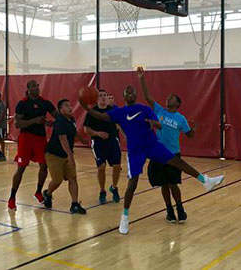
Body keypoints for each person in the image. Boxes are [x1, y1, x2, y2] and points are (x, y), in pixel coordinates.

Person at [79, 85, 224, 235]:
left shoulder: (145, 109)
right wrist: (85, 106)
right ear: (124, 96)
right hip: (135, 151)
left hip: (152, 145)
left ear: (135, 95)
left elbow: (159, 124)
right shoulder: (120, 112)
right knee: (132, 183)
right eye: (126, 92)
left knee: (177, 162)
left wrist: (154, 123)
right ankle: (125, 217)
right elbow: (101, 116)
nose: (129, 93)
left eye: (132, 91)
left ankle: (206, 181)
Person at [138, 67, 197, 223]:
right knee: (163, 184)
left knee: (173, 183)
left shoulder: (181, 119)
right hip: (158, 153)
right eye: (168, 97)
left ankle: (180, 208)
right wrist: (142, 78)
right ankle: (169, 210)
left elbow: (189, 135)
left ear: (177, 103)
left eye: (171, 98)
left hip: (173, 154)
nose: (168, 98)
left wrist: (194, 129)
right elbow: (147, 96)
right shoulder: (159, 110)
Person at [7, 80, 59, 211]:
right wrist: (35, 121)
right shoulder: (23, 104)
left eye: (38, 85)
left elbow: (56, 115)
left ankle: (38, 191)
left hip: (40, 138)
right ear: (28, 89)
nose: (37, 87)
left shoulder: (44, 102)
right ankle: (12, 197)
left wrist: (55, 121)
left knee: (44, 166)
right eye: (34, 86)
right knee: (21, 168)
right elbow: (18, 124)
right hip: (26, 138)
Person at [43, 99, 88, 214]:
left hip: (66, 154)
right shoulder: (59, 122)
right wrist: (71, 156)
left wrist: (82, 139)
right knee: (57, 180)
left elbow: (74, 131)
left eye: (70, 105)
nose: (70, 107)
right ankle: (47, 193)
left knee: (72, 178)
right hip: (53, 154)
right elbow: (63, 140)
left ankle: (75, 204)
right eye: (66, 106)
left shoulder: (71, 119)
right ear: (60, 109)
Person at [83, 89, 121, 204]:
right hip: (98, 143)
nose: (103, 97)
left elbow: (120, 122)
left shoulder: (113, 110)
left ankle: (114, 187)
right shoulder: (92, 112)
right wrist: (97, 133)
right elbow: (86, 129)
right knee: (101, 167)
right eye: (101, 95)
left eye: (105, 95)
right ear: (97, 98)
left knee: (117, 166)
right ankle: (102, 190)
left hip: (113, 141)